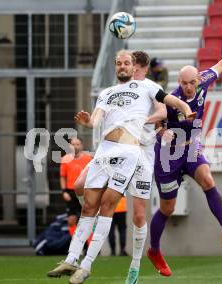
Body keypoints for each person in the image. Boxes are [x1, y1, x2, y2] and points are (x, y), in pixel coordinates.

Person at [46, 49, 195, 284]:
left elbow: (168, 105)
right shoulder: (107, 93)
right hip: (105, 150)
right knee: (86, 200)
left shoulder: (147, 87)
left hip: (135, 154)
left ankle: (125, 266)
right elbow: (95, 120)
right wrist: (88, 121)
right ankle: (72, 258)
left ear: (135, 66)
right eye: (119, 63)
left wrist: (185, 110)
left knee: (128, 211)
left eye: (127, 63)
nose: (123, 66)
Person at [147, 34, 222, 277]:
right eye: (184, 83)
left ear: (197, 79)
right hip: (167, 155)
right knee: (167, 208)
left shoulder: (204, 81)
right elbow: (157, 120)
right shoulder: (171, 99)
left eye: (191, 82)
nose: (188, 87)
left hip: (191, 148)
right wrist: (163, 131)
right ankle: (155, 250)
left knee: (208, 179)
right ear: (179, 82)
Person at [70, 50, 167, 284]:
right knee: (79, 185)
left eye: (140, 67)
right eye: (134, 67)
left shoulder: (149, 88)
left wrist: (141, 120)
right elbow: (99, 118)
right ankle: (87, 231)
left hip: (142, 153)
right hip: (115, 150)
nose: (137, 71)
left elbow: (163, 111)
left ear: (142, 68)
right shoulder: (116, 92)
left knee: (139, 214)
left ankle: (134, 266)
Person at [59, 138, 92, 235]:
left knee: (87, 220)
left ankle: (88, 247)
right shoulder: (65, 159)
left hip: (85, 193)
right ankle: (75, 246)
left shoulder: (88, 159)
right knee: (71, 220)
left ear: (81, 145)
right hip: (71, 192)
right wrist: (64, 191)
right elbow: (62, 177)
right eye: (73, 144)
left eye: (78, 144)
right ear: (69, 145)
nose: (75, 146)